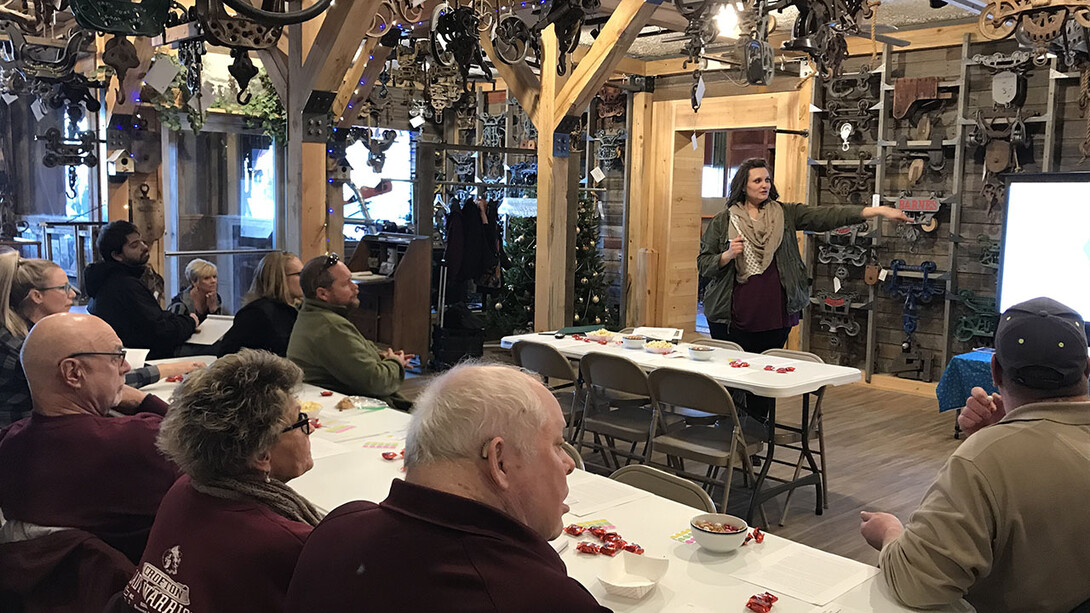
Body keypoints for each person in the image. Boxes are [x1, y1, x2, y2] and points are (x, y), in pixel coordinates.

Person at [284, 363, 610, 612]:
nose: (568, 463)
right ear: (500, 461)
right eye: (556, 444)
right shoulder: (537, 596)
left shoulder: (335, 528)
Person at [859, 297, 1090, 612]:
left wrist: (888, 533)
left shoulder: (983, 459)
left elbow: (916, 584)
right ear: (1087, 368)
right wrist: (999, 434)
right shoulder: (991, 452)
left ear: (994, 370)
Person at [697, 157, 910, 422]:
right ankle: (727, 431)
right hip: (731, 315)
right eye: (758, 180)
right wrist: (726, 255)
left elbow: (826, 216)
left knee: (764, 379)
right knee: (732, 377)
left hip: (774, 313)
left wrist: (876, 212)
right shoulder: (723, 220)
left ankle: (757, 435)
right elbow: (704, 265)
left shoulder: (784, 214)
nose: (765, 185)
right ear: (743, 186)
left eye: (767, 179)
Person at [112, 350, 320, 613]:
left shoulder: (183, 489)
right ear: (261, 454)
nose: (310, 428)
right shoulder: (288, 540)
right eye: (300, 420)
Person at [0, 313, 180, 563]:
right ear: (73, 373)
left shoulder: (8, 444)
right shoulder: (142, 440)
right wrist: (144, 401)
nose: (126, 367)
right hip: (136, 586)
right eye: (117, 356)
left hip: (45, 594)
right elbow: (208, 446)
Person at [0, 250, 204, 427]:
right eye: (64, 288)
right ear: (37, 296)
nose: (73, 294)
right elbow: (97, 384)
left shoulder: (26, 332)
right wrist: (168, 369)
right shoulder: (17, 348)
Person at [286, 253, 413, 410]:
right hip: (354, 409)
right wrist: (396, 363)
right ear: (322, 294)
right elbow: (376, 382)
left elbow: (354, 354)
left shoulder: (313, 315)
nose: (355, 287)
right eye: (346, 284)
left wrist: (382, 356)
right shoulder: (330, 327)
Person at [86, 220, 199, 359]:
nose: (144, 247)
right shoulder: (124, 286)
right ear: (117, 255)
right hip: (146, 357)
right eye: (134, 245)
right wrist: (190, 322)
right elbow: (161, 333)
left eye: (141, 241)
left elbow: (153, 319)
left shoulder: (107, 280)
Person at [219, 251, 303, 357]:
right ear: (280, 278)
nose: (305, 278)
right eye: (300, 274)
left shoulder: (298, 310)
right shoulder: (256, 314)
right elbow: (227, 354)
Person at [168, 257, 223, 321]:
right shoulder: (180, 305)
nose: (213, 281)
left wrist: (213, 310)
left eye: (214, 277)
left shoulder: (215, 298)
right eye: (207, 278)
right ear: (194, 282)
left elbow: (218, 326)